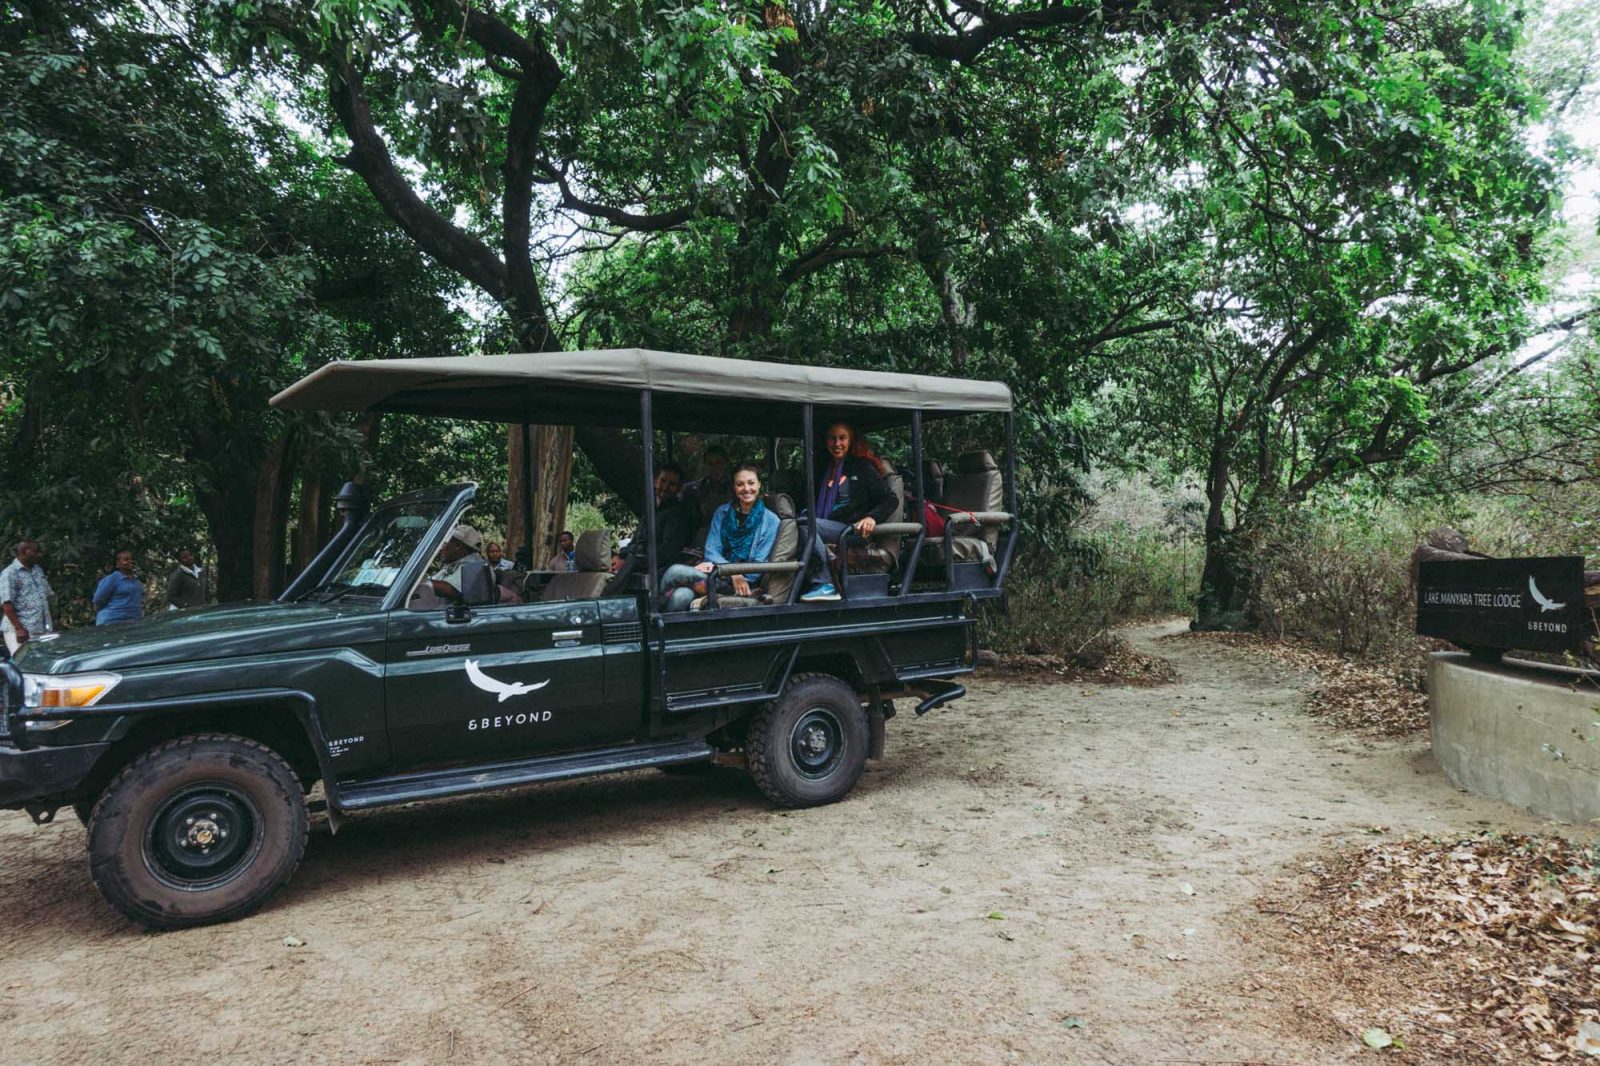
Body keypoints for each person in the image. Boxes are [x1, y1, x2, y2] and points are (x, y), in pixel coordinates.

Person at [658, 464, 779, 611]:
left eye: (751, 483)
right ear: (734, 487)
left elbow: (758, 565)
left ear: (759, 484)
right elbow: (711, 551)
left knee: (675, 571)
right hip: (717, 575)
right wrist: (732, 573)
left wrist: (733, 574)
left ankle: (653, 614)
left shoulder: (771, 521)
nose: (746, 489)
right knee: (681, 596)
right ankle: (665, 632)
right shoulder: (722, 513)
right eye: (740, 484)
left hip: (745, 584)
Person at [799, 420, 896, 602]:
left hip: (852, 529)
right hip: (827, 525)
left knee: (806, 523)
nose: (837, 444)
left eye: (842, 438)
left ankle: (825, 583)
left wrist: (871, 517)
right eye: (832, 439)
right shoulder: (823, 468)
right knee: (801, 520)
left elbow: (890, 499)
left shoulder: (862, 467)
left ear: (851, 440)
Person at [1, 540, 54, 654]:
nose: (39, 554)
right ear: (26, 551)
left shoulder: (37, 570)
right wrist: (19, 629)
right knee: (23, 665)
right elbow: (6, 604)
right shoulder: (10, 573)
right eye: (36, 551)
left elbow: (47, 596)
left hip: (40, 628)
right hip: (21, 630)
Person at [428, 525, 485, 601]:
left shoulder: (476, 566)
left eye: (445, 543)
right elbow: (434, 580)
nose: (441, 548)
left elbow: (450, 589)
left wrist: (415, 585)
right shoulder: (453, 564)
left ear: (457, 545)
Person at [652, 463, 694, 565]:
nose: (665, 487)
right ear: (655, 482)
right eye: (662, 481)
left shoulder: (678, 514)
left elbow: (666, 552)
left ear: (678, 488)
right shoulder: (651, 509)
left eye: (672, 484)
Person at [681, 444, 731, 525]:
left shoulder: (735, 489)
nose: (715, 468)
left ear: (725, 464)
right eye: (710, 464)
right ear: (705, 465)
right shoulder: (694, 489)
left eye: (718, 463)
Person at [93, 550, 144, 624]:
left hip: (133, 622)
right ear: (118, 563)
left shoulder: (136, 580)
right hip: (112, 621)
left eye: (131, 559)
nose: (130, 562)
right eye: (126, 560)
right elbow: (98, 600)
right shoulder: (112, 579)